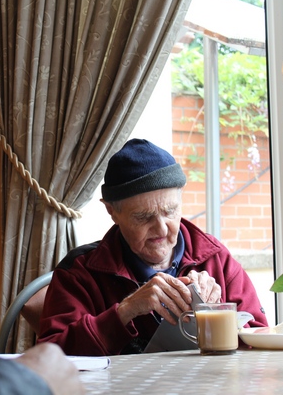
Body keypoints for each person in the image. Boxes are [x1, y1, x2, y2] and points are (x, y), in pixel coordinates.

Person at [37, 138, 268, 356]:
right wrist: (126, 310)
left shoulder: (215, 258)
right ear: (112, 212)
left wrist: (219, 313)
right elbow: (51, 357)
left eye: (170, 211)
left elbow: (260, 338)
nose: (162, 229)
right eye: (143, 217)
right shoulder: (80, 272)